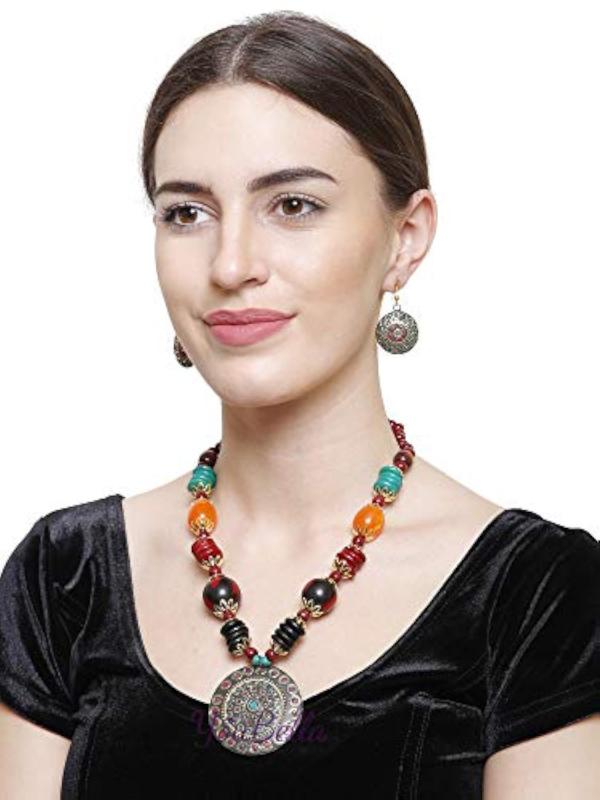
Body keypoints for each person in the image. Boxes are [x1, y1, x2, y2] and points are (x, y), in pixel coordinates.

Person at [1, 10, 599, 799]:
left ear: (406, 237)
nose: (232, 264)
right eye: (187, 213)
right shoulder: (66, 573)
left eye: (293, 206)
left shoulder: (536, 592)